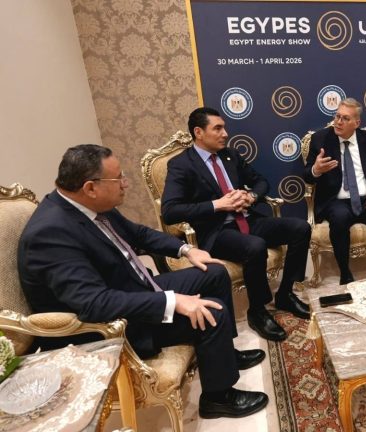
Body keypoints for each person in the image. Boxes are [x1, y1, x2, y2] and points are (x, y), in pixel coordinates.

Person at [18, 144, 268, 419]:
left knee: (214, 272)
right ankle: (218, 398)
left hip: (132, 288)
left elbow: (139, 234)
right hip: (111, 326)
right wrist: (172, 301)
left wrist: (186, 249)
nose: (125, 184)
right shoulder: (51, 233)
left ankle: (225, 354)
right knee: (212, 313)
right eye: (118, 178)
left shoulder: (88, 205)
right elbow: (95, 303)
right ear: (91, 187)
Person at [162, 107, 311, 342]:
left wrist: (251, 196)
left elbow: (261, 181)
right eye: (218, 128)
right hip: (217, 231)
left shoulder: (230, 155)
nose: (225, 133)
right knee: (255, 246)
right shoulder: (181, 164)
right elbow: (170, 211)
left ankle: (285, 293)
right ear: (199, 132)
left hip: (248, 219)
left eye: (224, 128)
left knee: (300, 228)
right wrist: (217, 205)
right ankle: (257, 310)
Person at [303, 98, 366, 284]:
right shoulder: (320, 139)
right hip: (336, 200)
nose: (338, 122)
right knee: (339, 218)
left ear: (357, 123)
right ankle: (345, 274)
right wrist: (316, 170)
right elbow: (307, 176)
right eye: (337, 116)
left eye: (345, 118)